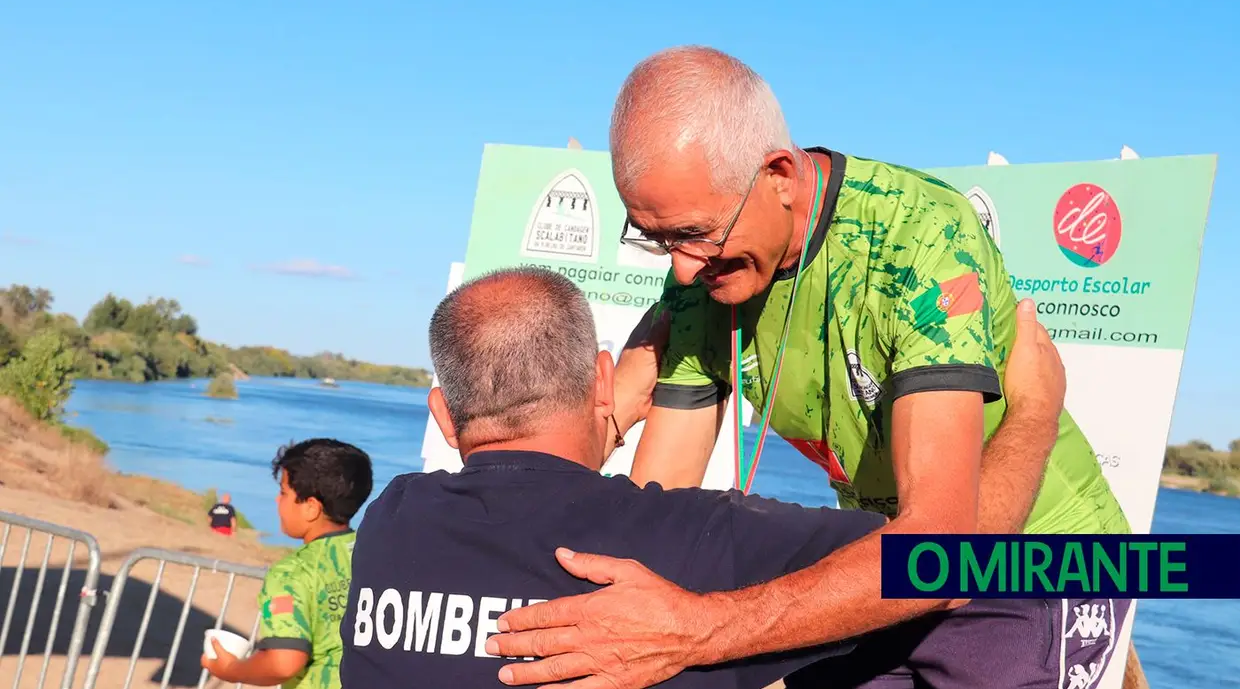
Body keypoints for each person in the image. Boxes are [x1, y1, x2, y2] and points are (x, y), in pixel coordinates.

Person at [489, 46, 1136, 689]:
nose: (681, 268)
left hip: (1035, 562)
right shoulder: (701, 275)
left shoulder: (917, 238)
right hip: (889, 558)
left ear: (778, 173)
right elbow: (657, 502)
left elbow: (942, 548)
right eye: (658, 239)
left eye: (695, 233)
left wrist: (697, 628)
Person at [339, 268, 1063, 689]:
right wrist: (1033, 413)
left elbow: (529, 504)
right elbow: (963, 563)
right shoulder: (692, 543)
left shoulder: (392, 523)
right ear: (601, 376)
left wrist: (605, 420)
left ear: (442, 412)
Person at [202, 438, 373, 689]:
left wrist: (232, 669)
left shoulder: (291, 573)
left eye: (283, 493)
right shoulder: (373, 552)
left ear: (311, 508)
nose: (276, 501)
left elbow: (284, 662)